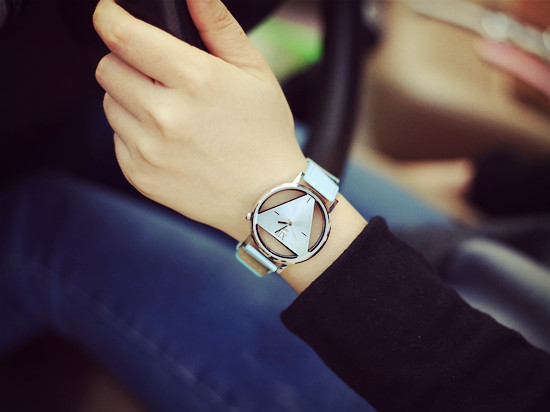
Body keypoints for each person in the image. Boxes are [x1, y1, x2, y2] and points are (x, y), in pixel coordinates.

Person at [92, 0, 550, 410]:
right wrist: (479, 180)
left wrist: (267, 191)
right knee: (190, 128)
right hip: (502, 253)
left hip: (448, 374)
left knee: (64, 224)